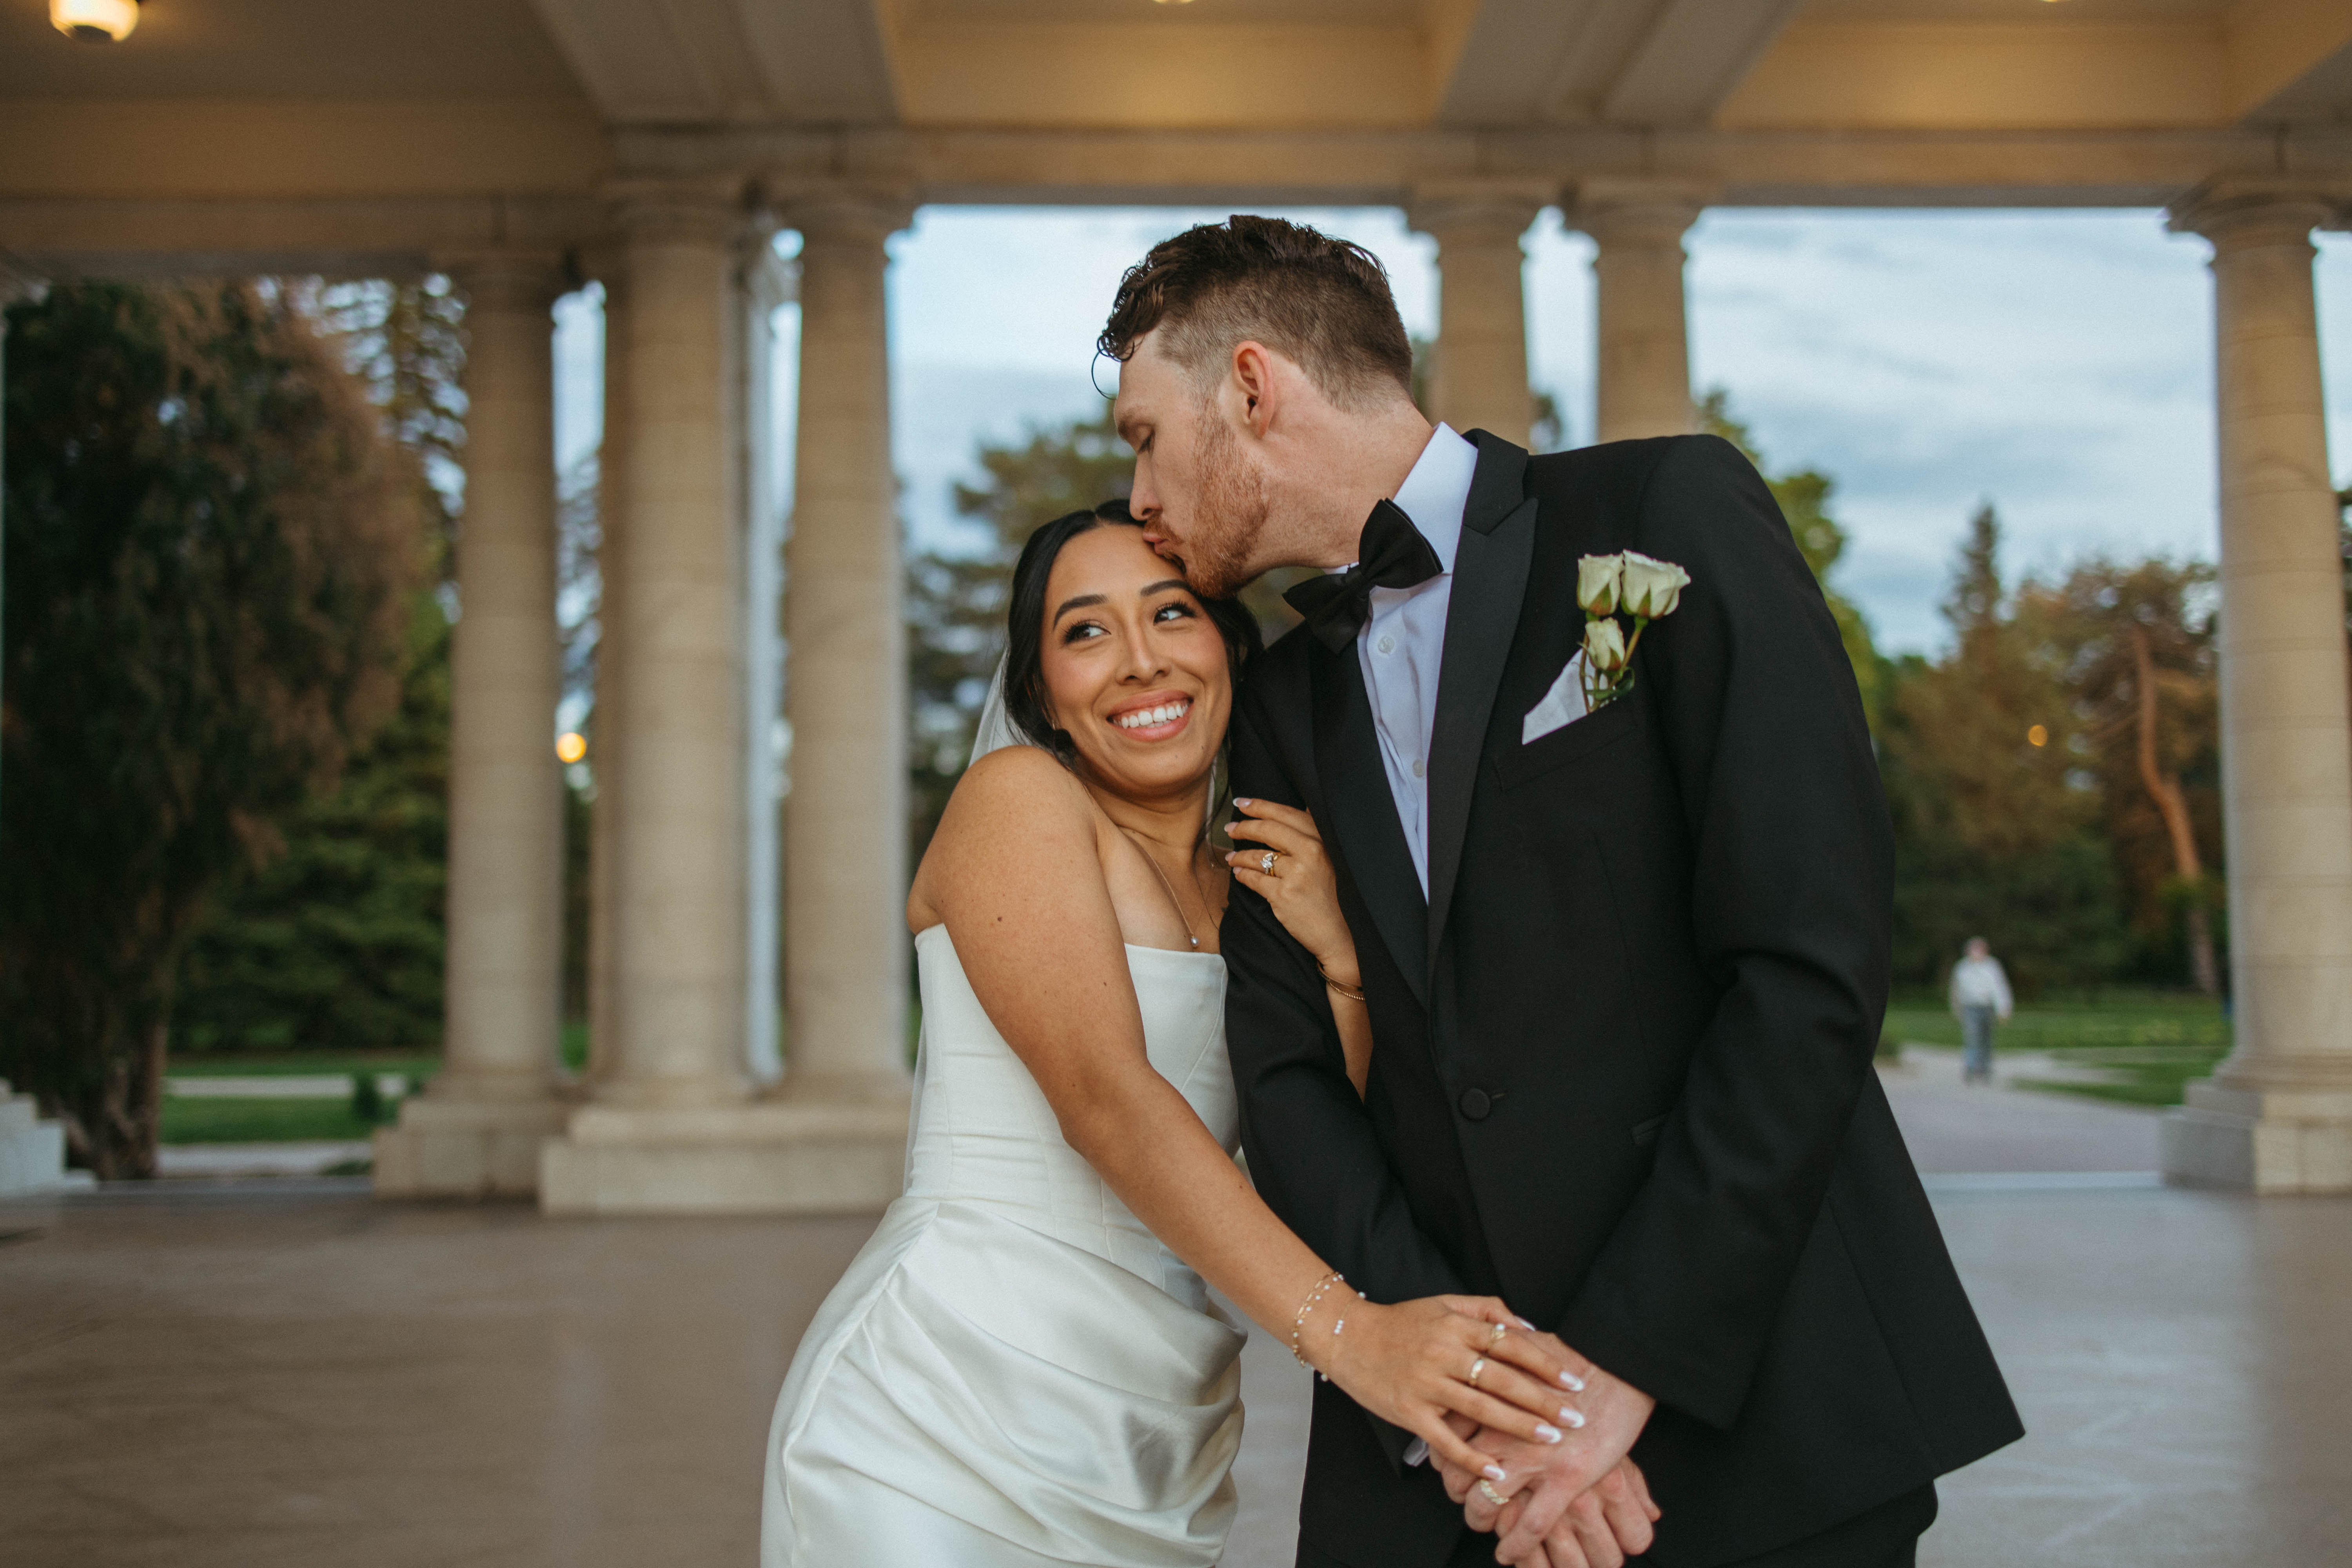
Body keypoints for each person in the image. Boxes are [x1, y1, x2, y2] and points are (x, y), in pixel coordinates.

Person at [1102, 216, 2024, 1568]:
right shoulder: (1281, 699)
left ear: (1251, 386)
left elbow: (1805, 963)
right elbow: (1288, 1073)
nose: (1139, 493)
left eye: (1144, 436)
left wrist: (1618, 1370)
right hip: (1445, 1472)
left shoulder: (1660, 515)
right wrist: (1477, 1399)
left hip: (1762, 1415)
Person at [760, 503, 1660, 1567]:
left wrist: (1342, 964)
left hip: (1149, 1421)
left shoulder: (1255, 895)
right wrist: (1355, 1338)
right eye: (1085, 631)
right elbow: (1106, 1100)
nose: (1140, 661)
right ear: (1041, 691)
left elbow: (1319, 1149)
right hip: (941, 1397)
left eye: (1172, 613)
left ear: (1230, 648)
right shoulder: (1020, 800)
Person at [1948, 938, 2014, 1085]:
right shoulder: (1962, 968)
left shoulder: (1992, 967)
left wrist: (2004, 1009)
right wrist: (1956, 1008)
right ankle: (1971, 1068)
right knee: (1972, 1038)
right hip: (1970, 1007)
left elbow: (1999, 988)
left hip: (1987, 1007)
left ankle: (1985, 1068)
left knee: (1986, 1039)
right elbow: (1956, 990)